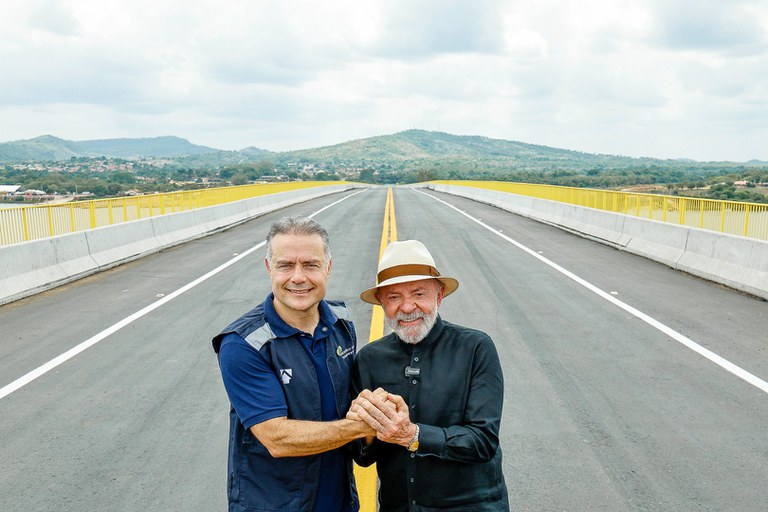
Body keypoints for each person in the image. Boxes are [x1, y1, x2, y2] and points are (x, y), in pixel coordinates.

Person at [212, 216, 374, 512]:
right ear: (268, 268)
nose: (298, 277)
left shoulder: (341, 322)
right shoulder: (243, 344)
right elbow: (278, 439)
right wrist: (363, 425)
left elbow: (349, 401)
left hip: (339, 503)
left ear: (328, 267)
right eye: (286, 265)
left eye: (311, 265)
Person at [349, 239, 510, 512]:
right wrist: (364, 428)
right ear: (381, 303)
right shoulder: (369, 359)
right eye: (393, 297)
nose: (407, 307)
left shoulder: (475, 348)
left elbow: (483, 440)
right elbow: (364, 457)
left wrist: (413, 435)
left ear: (439, 295)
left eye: (418, 293)